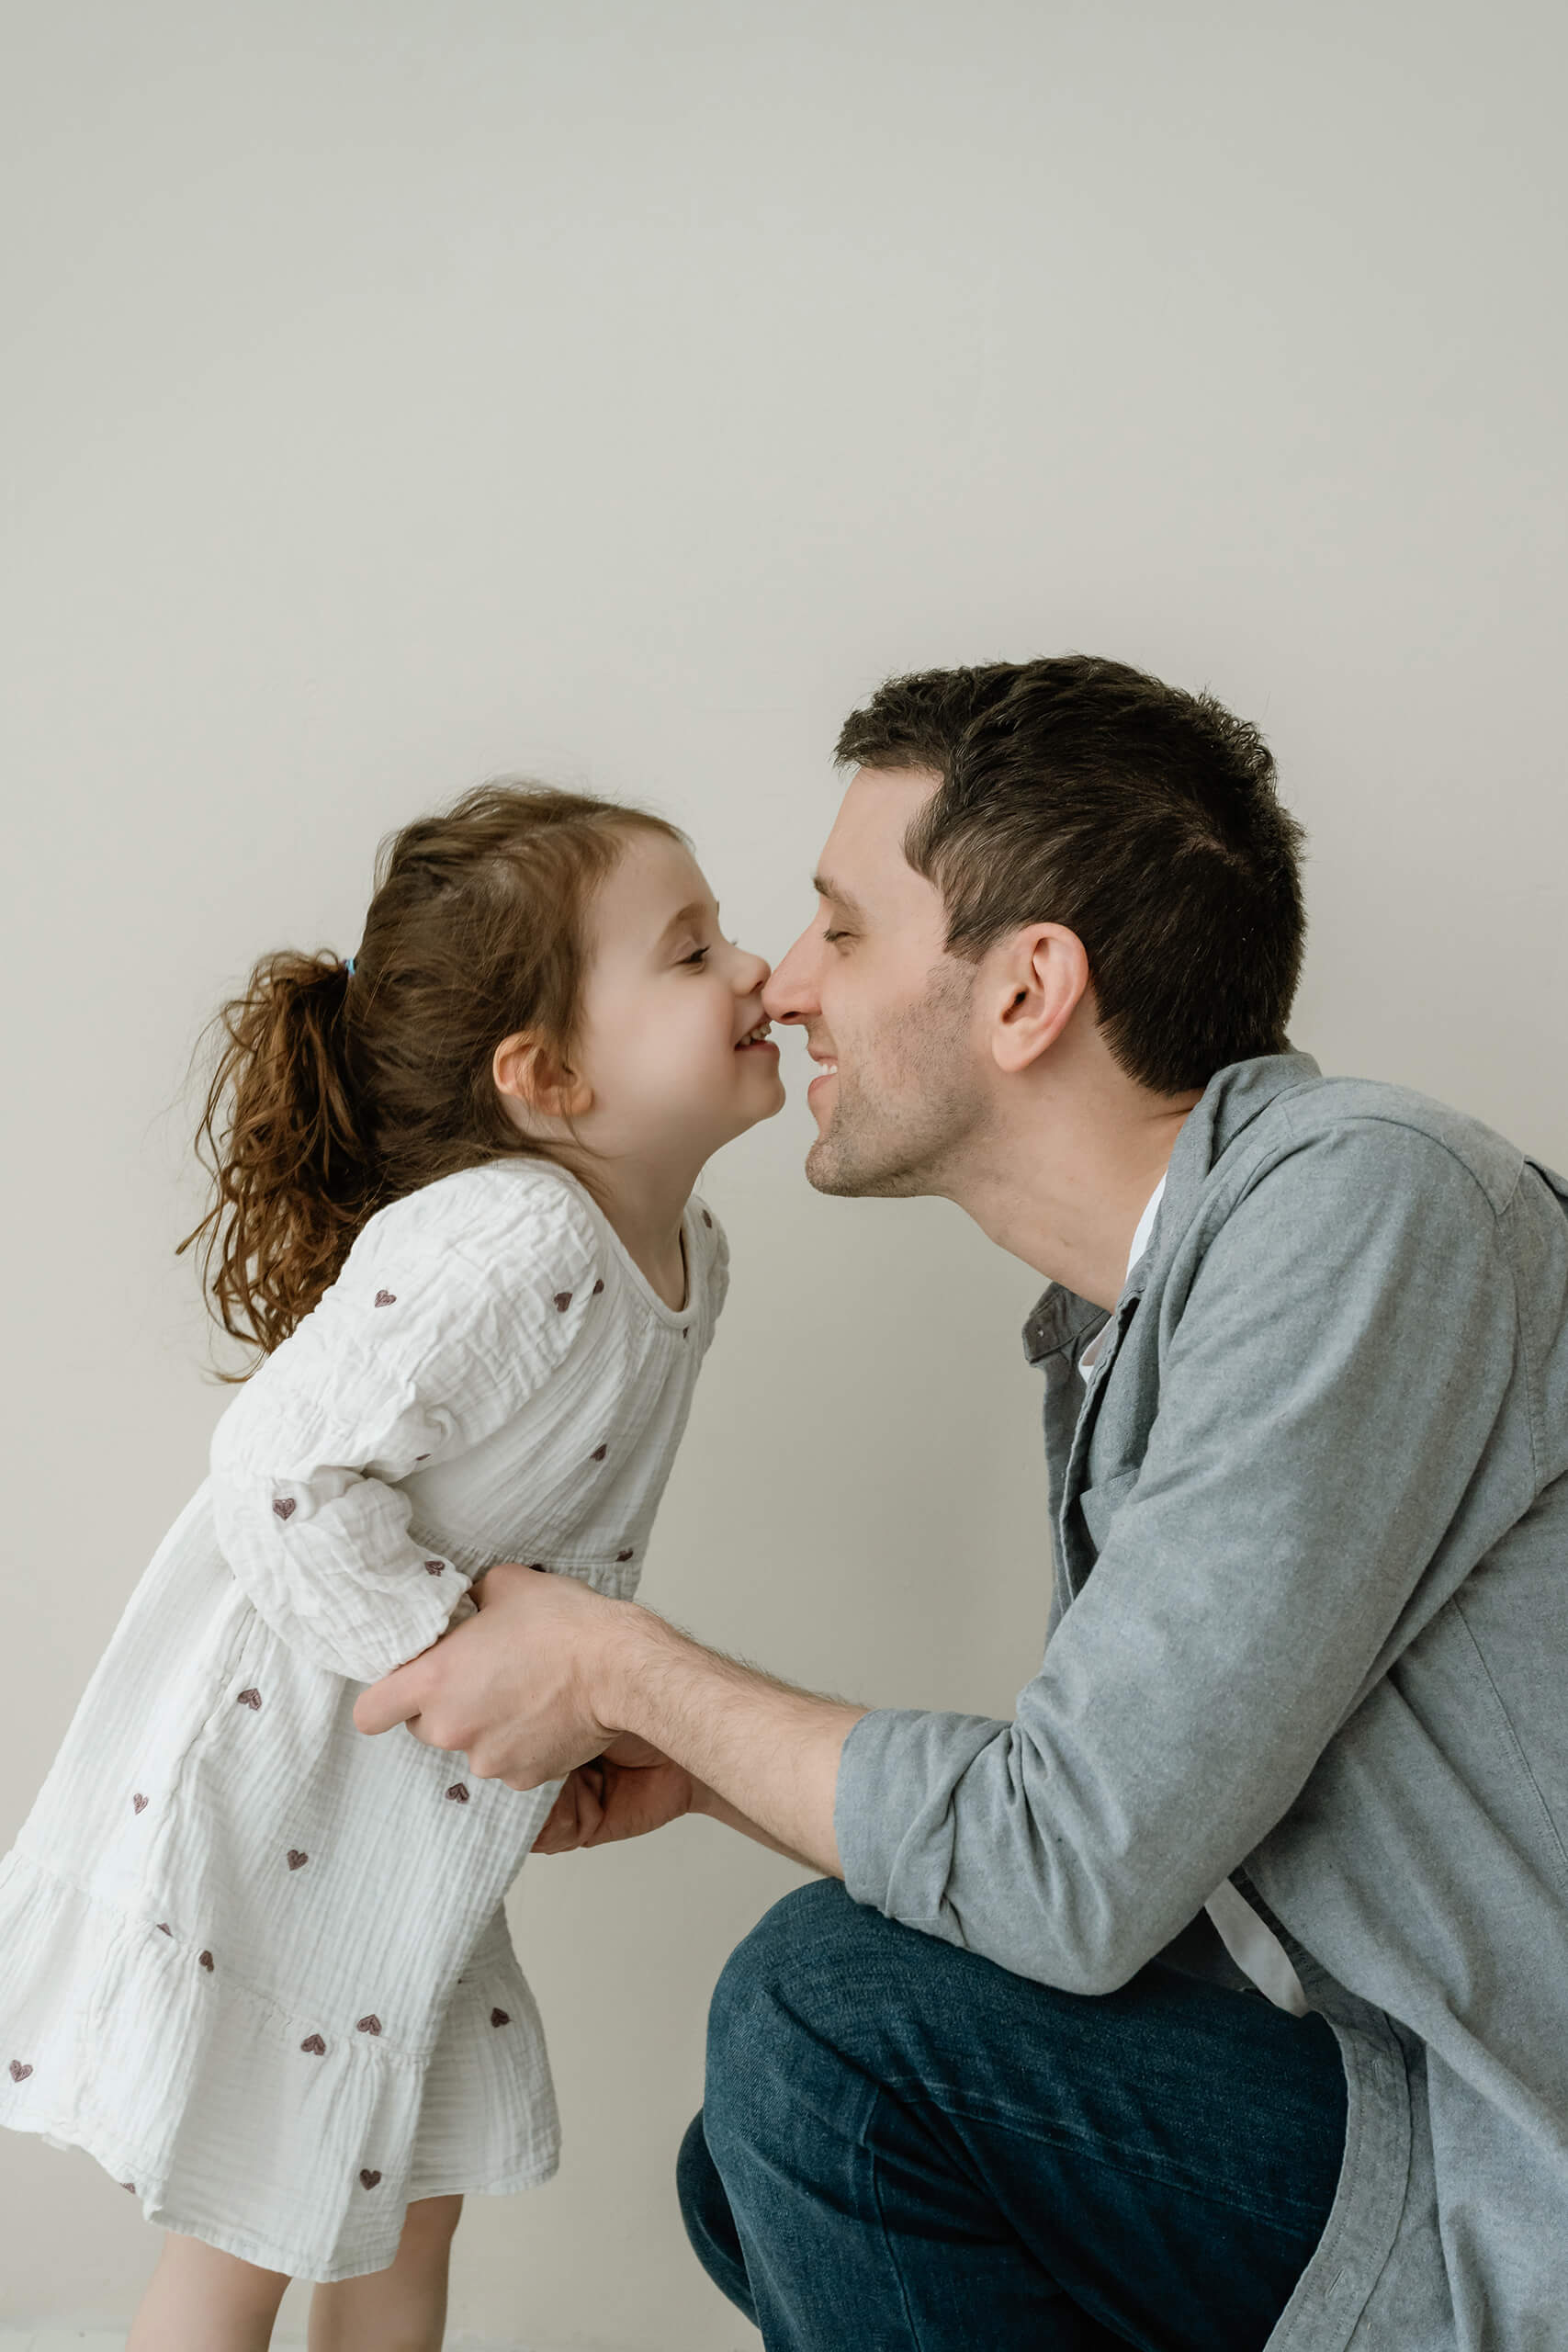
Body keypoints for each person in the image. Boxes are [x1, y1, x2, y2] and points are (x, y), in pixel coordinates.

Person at [355, 658, 1568, 2352]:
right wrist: (700, 1763)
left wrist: (624, 1674)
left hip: (1500, 2181)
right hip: (1367, 2123)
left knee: (828, 2029)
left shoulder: (1367, 1206)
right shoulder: (1128, 1320)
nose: (783, 988)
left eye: (843, 928)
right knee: (755, 2163)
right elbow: (1103, 1870)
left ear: (1026, 993)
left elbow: (1073, 1868)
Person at [0, 783, 785, 2347]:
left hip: (411, 1814)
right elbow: (276, 1476)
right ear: (546, 1074)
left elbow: (561, 1543)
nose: (759, 970)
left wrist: (550, 1712)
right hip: (292, 1779)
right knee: (252, 2222)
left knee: (401, 2205)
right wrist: (458, 1654)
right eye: (691, 953)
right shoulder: (516, 1239)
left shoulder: (684, 1258)